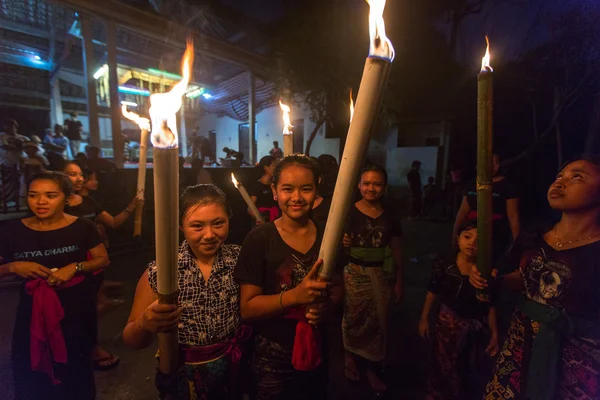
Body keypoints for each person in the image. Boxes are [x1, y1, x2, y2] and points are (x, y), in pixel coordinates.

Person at [470, 155, 600, 400]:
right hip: (521, 344)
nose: (560, 182)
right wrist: (492, 280)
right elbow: (525, 280)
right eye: (559, 176)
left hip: (579, 355)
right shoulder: (533, 236)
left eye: (577, 177)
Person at [123, 184, 248, 399]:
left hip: (232, 368)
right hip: (181, 374)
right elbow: (131, 340)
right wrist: (145, 322)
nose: (209, 235)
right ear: (181, 225)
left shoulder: (240, 260)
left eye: (218, 223)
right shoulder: (161, 272)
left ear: (229, 218)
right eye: (197, 226)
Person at [235, 154, 341, 400]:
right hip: (272, 355)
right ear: (274, 191)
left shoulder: (329, 236)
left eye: (305, 189)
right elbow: (248, 308)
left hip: (318, 347)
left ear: (317, 190)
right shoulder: (259, 239)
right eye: (287, 189)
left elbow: (337, 287)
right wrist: (295, 296)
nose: (296, 197)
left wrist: (328, 305)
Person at [0, 171, 109, 400]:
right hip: (32, 310)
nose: (40, 202)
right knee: (30, 365)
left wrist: (75, 267)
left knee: (75, 367)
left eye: (50, 195)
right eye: (33, 195)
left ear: (67, 198)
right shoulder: (11, 230)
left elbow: (102, 259)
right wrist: (12, 267)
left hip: (75, 308)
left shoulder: (82, 227)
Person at [62, 161, 137, 371]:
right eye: (71, 174)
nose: (78, 179)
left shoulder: (88, 202)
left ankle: (89, 347)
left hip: (90, 263)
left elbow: (112, 223)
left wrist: (132, 207)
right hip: (65, 262)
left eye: (79, 175)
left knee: (86, 308)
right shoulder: (57, 204)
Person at [418, 221, 499, 400]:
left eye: (478, 241)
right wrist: (424, 318)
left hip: (472, 327)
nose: (471, 243)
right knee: (441, 364)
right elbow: (432, 290)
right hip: (447, 325)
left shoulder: (485, 270)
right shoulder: (445, 263)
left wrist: (494, 332)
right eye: (467, 237)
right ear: (458, 238)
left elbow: (491, 303)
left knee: (464, 368)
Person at [342, 164, 403, 396]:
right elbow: (333, 243)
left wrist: (399, 280)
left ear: (384, 188)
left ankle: (371, 368)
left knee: (378, 321)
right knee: (353, 318)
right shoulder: (348, 212)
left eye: (376, 184)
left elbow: (397, 248)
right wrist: (343, 243)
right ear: (358, 186)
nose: (371, 188)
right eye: (366, 183)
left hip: (381, 274)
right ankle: (350, 356)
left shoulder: (390, 216)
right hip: (354, 273)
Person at [453, 153, 520, 264]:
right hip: (471, 230)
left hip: (496, 233)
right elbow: (463, 210)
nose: (492, 166)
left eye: (496, 162)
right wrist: (455, 232)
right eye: (488, 162)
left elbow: (513, 215)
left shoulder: (507, 186)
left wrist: (516, 242)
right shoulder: (471, 183)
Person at [247, 155, 279, 224]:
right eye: (274, 166)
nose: (276, 168)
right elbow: (250, 209)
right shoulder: (257, 186)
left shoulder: (276, 184)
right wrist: (259, 218)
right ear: (266, 168)